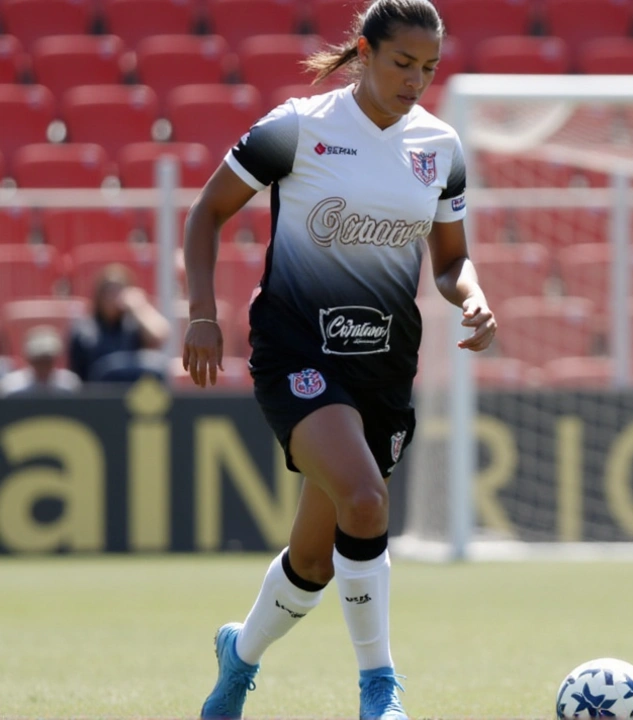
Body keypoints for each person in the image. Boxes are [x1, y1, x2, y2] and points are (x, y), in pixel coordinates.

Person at [182, 2, 495, 718]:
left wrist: (473, 297)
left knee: (317, 560)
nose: (416, 79)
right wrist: (202, 315)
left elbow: (452, 261)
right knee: (364, 498)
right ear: (363, 51)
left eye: (428, 67)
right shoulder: (299, 127)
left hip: (384, 366)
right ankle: (378, 687)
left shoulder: (440, 147)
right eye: (401, 63)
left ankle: (239, 657)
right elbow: (206, 213)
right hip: (296, 351)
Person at [67, 263, 170, 383]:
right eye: (109, 291)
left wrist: (139, 306)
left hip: (134, 397)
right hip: (101, 397)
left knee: (157, 370)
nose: (113, 297)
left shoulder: (133, 325)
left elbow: (160, 336)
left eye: (119, 291)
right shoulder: (85, 331)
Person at [0, 325, 82, 397]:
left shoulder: (69, 385)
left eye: (47, 360)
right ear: (30, 359)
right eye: (39, 360)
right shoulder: (12, 387)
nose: (43, 365)